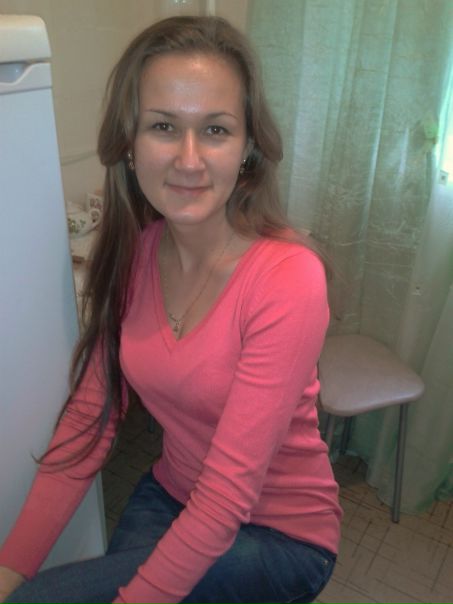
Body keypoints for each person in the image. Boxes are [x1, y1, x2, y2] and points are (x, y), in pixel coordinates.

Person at [0, 15, 342, 604]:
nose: (188, 159)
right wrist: (9, 567)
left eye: (215, 130)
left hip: (281, 532)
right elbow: (88, 421)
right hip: (173, 493)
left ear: (247, 149)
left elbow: (228, 494)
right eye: (163, 126)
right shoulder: (138, 253)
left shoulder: (288, 279)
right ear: (129, 147)